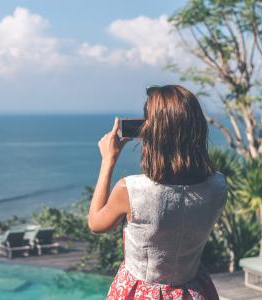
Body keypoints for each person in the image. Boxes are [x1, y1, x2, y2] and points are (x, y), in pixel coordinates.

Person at [88, 85, 227, 300]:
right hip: (195, 290)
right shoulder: (218, 185)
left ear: (153, 134)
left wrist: (108, 160)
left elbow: (96, 224)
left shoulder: (132, 190)